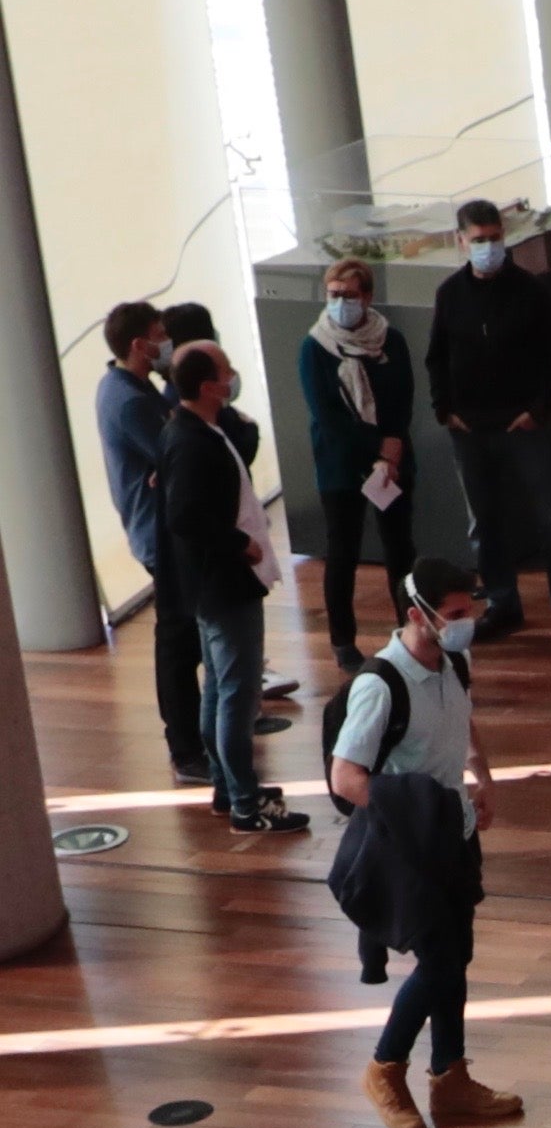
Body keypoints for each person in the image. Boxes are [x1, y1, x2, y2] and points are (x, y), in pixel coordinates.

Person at [330, 557, 521, 1128]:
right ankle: (385, 1068)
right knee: (440, 960)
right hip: (412, 848)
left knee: (455, 957)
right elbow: (345, 777)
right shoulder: (379, 685)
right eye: (458, 614)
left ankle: (450, 1077)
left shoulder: (454, 660)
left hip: (453, 835)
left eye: (471, 610)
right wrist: (414, 809)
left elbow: (462, 722)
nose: (469, 622)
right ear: (419, 615)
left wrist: (479, 775)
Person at [426, 204, 551, 641]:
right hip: (470, 430)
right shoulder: (449, 293)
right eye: (478, 239)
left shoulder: (530, 290)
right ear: (460, 240)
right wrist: (445, 410)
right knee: (485, 521)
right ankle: (501, 601)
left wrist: (537, 411)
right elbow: (436, 358)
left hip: (521, 425)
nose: (487, 247)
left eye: (494, 238)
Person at [157, 345, 299, 834]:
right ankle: (244, 802)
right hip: (223, 586)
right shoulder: (192, 442)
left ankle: (226, 785)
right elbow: (185, 515)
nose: (233, 376)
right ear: (208, 386)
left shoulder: (194, 428)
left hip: (211, 586)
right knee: (236, 697)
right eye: (225, 372)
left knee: (219, 689)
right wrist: (240, 543)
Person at [94, 300, 209, 785]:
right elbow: (180, 452)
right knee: (179, 644)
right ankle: (186, 748)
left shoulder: (134, 387)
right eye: (160, 335)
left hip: (164, 529)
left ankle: (205, 729)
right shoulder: (131, 400)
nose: (167, 343)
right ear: (140, 345)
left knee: (192, 637)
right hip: (159, 536)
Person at [298, 258, 414, 672]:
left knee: (399, 546)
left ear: (366, 296)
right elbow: (328, 415)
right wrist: (379, 449)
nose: (340, 302)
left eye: (349, 295)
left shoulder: (390, 340)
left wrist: (392, 448)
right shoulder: (315, 348)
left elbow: (402, 396)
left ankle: (410, 626)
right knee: (342, 551)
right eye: (333, 294)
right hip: (342, 464)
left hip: (394, 458)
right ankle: (343, 640)